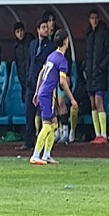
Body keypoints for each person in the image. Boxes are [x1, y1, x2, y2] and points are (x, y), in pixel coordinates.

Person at [30, 29, 77, 165]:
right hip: (48, 94)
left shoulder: (51, 56)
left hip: (45, 93)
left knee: (54, 123)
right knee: (47, 125)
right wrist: (72, 99)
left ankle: (46, 155)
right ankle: (35, 155)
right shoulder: (62, 60)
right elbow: (62, 82)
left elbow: (41, 73)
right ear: (65, 41)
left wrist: (37, 91)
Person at [84, 9, 109, 144]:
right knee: (92, 103)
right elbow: (87, 55)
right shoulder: (88, 35)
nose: (94, 20)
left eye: (96, 18)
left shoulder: (104, 33)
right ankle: (97, 134)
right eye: (92, 18)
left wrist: (102, 67)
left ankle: (104, 134)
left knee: (99, 101)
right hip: (90, 74)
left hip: (99, 73)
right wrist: (85, 69)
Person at [22, 19, 54, 151]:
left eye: (47, 27)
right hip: (31, 83)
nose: (46, 29)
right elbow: (29, 62)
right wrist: (27, 78)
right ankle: (28, 141)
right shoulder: (32, 44)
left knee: (44, 114)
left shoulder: (51, 46)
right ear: (38, 29)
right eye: (43, 27)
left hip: (43, 84)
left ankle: (44, 141)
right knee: (29, 113)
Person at [13, 21, 35, 145]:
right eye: (17, 32)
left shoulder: (31, 42)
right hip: (24, 83)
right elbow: (18, 65)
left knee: (37, 109)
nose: (20, 34)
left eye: (21, 31)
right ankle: (30, 137)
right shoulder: (16, 47)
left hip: (33, 81)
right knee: (28, 111)